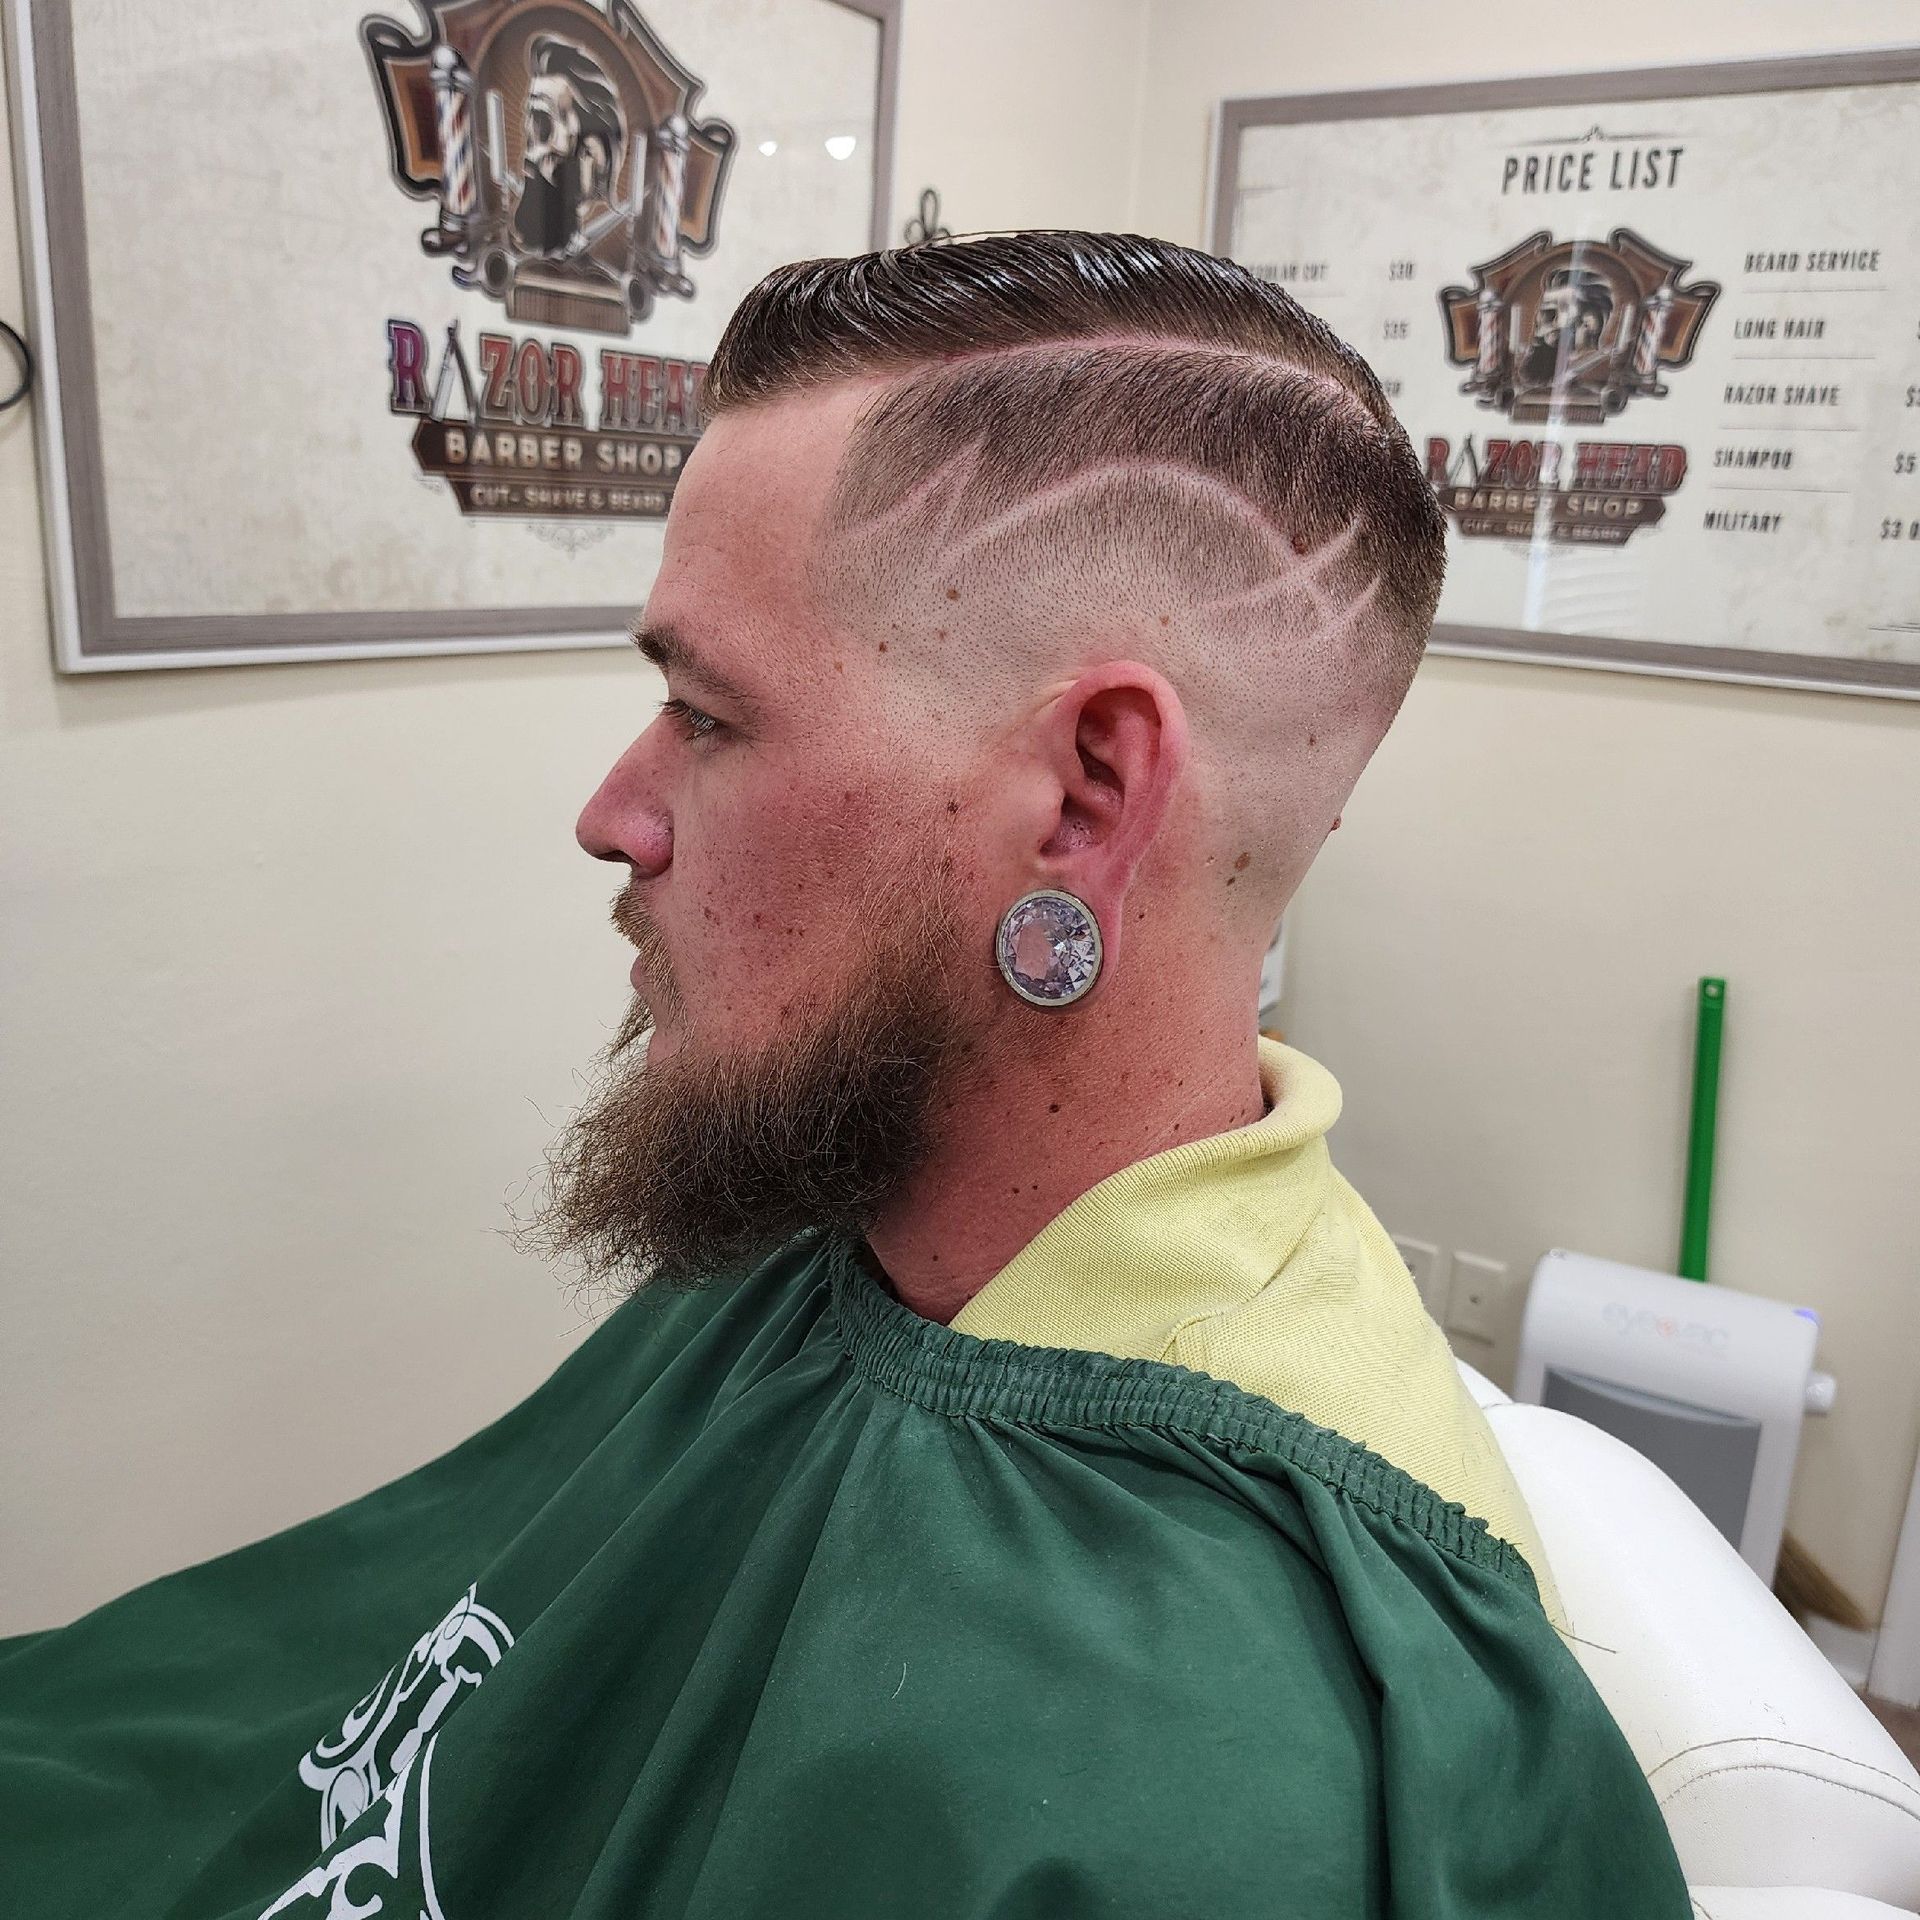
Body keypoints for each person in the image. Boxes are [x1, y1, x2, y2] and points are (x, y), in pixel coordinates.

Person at [0, 232, 1690, 1917]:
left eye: (709, 716)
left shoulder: (1222, 1770)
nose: (616, 812)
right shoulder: (861, 1207)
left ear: (1088, 797)